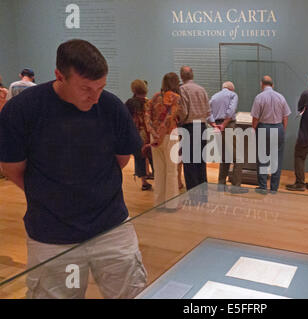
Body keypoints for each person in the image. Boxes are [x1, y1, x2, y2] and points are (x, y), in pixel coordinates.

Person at [0, 39, 147, 298]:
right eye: (86, 88)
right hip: (51, 235)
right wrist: (51, 191)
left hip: (112, 227)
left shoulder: (111, 107)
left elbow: (122, 158)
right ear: (59, 76)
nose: (95, 96)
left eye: (100, 87)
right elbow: (12, 168)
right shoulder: (23, 110)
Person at [142, 72, 183, 210]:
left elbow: (147, 115)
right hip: (169, 135)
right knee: (171, 171)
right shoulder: (176, 97)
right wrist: (161, 134)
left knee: (159, 170)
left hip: (155, 136)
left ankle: (159, 203)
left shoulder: (154, 97)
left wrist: (153, 133)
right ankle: (171, 204)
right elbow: (169, 118)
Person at [251, 75, 291, 194]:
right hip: (278, 128)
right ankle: (274, 188)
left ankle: (263, 187)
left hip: (264, 127)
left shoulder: (259, 97)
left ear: (261, 84)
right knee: (277, 159)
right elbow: (285, 117)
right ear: (272, 85)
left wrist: (254, 129)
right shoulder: (281, 97)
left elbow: (255, 118)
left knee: (262, 159)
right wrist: (282, 129)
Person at [208, 81, 248, 194]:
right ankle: (236, 186)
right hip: (228, 126)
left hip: (217, 126)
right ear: (231, 89)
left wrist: (213, 124)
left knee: (224, 157)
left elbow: (208, 112)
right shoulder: (232, 95)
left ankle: (221, 185)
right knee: (238, 157)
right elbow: (231, 111)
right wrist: (224, 125)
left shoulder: (214, 96)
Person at [179, 66, 211, 193]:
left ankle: (193, 195)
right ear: (192, 75)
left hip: (189, 127)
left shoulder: (182, 90)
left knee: (189, 164)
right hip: (202, 126)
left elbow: (184, 112)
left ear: (182, 76)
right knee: (201, 162)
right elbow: (208, 111)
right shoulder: (201, 89)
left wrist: (180, 122)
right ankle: (203, 193)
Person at [125, 79, 153, 191]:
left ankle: (144, 181)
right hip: (149, 133)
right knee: (153, 157)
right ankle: (157, 176)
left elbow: (126, 118)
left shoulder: (129, 103)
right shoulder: (148, 102)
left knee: (139, 157)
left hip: (136, 134)